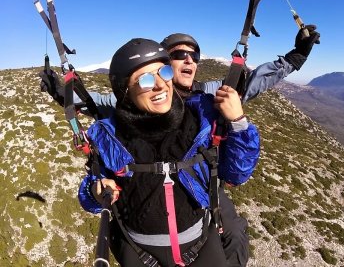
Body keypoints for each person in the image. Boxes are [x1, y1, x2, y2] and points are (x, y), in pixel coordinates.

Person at [40, 25, 319, 267]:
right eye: (177, 55)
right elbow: (96, 103)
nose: (188, 60)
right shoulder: (133, 103)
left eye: (193, 55)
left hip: (201, 184)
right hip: (149, 202)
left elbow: (253, 81)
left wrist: (295, 58)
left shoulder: (207, 96)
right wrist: (61, 91)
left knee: (232, 230)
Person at [77, 38, 260, 266]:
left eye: (163, 72)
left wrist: (238, 122)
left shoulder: (199, 119)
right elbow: (90, 194)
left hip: (200, 242)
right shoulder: (110, 136)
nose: (160, 84)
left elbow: (236, 174)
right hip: (138, 249)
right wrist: (96, 192)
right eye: (144, 79)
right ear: (124, 92)